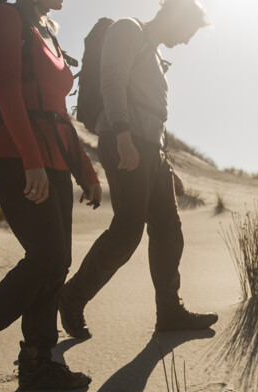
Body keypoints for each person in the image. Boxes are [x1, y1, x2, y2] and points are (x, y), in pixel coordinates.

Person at [0, 0, 102, 392]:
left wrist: (86, 172)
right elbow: (5, 91)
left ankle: (36, 361)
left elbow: (58, 113)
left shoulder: (46, 29)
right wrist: (31, 160)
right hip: (16, 153)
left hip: (52, 156)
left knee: (58, 261)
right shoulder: (5, 16)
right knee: (46, 255)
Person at [59, 0, 217, 340]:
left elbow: (153, 117)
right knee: (127, 230)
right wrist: (122, 136)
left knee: (169, 229)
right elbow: (112, 82)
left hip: (150, 151)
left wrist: (166, 165)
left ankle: (169, 311)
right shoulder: (128, 29)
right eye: (188, 31)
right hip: (125, 142)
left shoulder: (155, 54)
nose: (187, 40)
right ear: (174, 15)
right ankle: (71, 299)